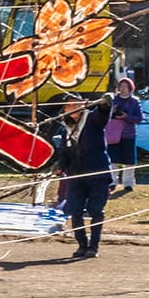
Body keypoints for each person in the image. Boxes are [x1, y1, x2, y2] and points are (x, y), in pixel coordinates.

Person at [52, 94, 112, 259]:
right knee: (75, 211)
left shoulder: (92, 119)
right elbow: (65, 153)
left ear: (84, 105)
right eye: (69, 106)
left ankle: (94, 247)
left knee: (96, 211)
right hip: (76, 177)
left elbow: (103, 114)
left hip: (97, 174)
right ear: (65, 110)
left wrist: (105, 104)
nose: (73, 108)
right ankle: (82, 245)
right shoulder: (66, 130)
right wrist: (60, 165)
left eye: (76, 104)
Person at [107, 75, 142, 194]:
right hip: (114, 134)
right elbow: (106, 115)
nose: (123, 89)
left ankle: (128, 183)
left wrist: (126, 117)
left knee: (129, 161)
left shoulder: (135, 101)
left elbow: (139, 118)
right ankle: (112, 182)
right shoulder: (114, 100)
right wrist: (113, 111)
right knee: (113, 160)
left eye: (125, 87)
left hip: (128, 134)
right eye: (121, 86)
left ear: (130, 88)